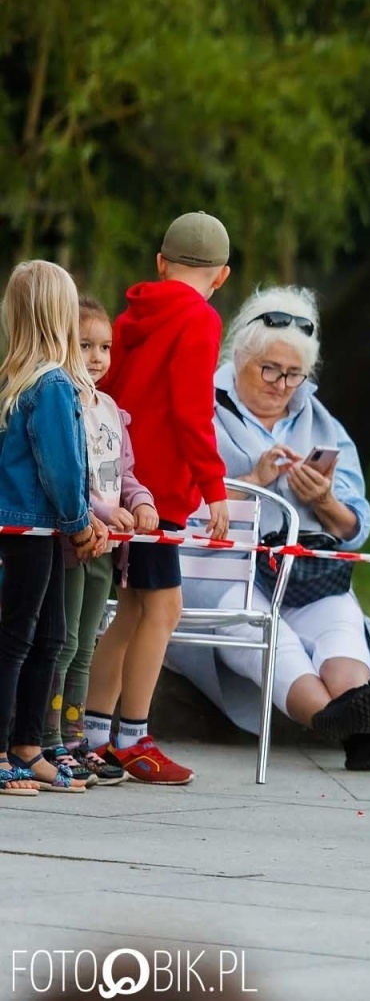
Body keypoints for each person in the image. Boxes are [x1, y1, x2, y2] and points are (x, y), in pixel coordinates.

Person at [166, 287, 370, 772]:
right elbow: (172, 506)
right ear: (240, 357)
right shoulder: (198, 411)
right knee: (272, 637)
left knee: (341, 623)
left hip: (303, 573)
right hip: (219, 571)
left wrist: (324, 500)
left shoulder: (322, 423)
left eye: (294, 375)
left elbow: (354, 527)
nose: (282, 385)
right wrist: (252, 482)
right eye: (270, 370)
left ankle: (357, 716)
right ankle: (352, 727)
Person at [85, 212, 233, 786]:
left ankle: (94, 733)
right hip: (159, 492)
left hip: (119, 484)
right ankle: (131, 736)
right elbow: (192, 409)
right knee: (161, 609)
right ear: (221, 276)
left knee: (132, 610)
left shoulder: (126, 318)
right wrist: (214, 486)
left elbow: (109, 392)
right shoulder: (200, 318)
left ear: (160, 263)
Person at [0, 261, 110, 795]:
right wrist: (79, 522)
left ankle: (27, 744)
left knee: (49, 635)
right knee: (18, 638)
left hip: (34, 530)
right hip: (32, 528)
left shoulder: (17, 379)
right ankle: (3, 750)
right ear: (59, 315)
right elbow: (62, 468)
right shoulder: (51, 386)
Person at [40, 296, 156, 788]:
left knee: (86, 645)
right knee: (62, 645)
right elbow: (69, 478)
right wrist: (105, 512)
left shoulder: (111, 410)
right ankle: (45, 735)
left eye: (104, 346)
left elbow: (122, 474)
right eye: (84, 344)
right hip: (74, 544)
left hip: (108, 551)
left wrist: (143, 502)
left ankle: (74, 737)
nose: (96, 357)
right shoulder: (59, 402)